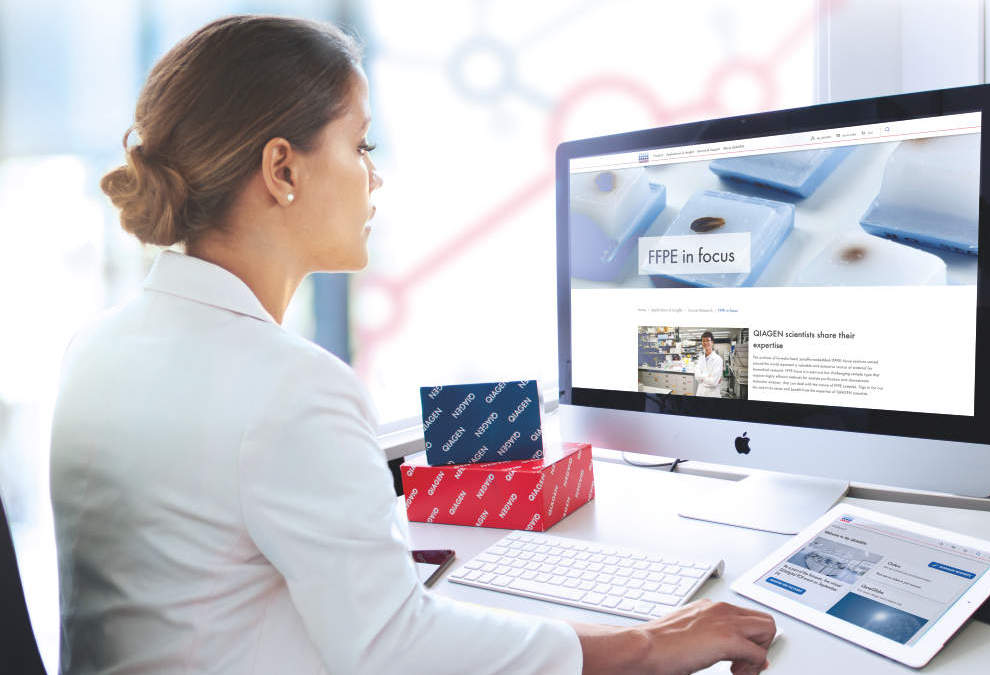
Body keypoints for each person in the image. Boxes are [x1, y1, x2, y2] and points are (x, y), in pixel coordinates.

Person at [48, 15, 775, 675]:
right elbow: (396, 648)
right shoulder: (288, 386)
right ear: (282, 169)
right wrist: (648, 643)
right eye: (359, 144)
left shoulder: (97, 349)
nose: (375, 173)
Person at [694, 331, 724, 397]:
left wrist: (701, 377)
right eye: (703, 341)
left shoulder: (718, 359)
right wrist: (708, 376)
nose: (705, 343)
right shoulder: (700, 358)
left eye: (707, 340)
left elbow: (713, 382)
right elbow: (696, 377)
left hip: (712, 394)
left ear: (712, 342)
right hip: (700, 392)